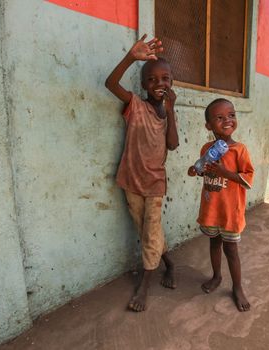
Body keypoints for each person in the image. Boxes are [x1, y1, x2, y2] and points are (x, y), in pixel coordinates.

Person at [105, 35, 179, 312]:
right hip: (130, 179)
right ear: (143, 84)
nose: (160, 84)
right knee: (147, 230)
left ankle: (145, 286)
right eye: (152, 79)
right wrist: (130, 58)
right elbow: (110, 84)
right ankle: (170, 264)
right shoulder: (135, 105)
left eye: (166, 79)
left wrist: (171, 110)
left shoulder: (167, 111)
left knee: (150, 232)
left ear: (171, 83)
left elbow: (172, 143)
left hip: (155, 183)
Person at [187, 98, 254, 312]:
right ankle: (216, 276)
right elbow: (206, 173)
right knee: (214, 244)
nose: (227, 120)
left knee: (231, 250)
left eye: (231, 115)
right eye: (219, 117)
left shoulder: (239, 150)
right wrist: (196, 170)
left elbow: (247, 178)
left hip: (230, 212)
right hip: (212, 209)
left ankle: (237, 287)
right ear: (208, 126)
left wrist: (225, 172)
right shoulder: (207, 148)